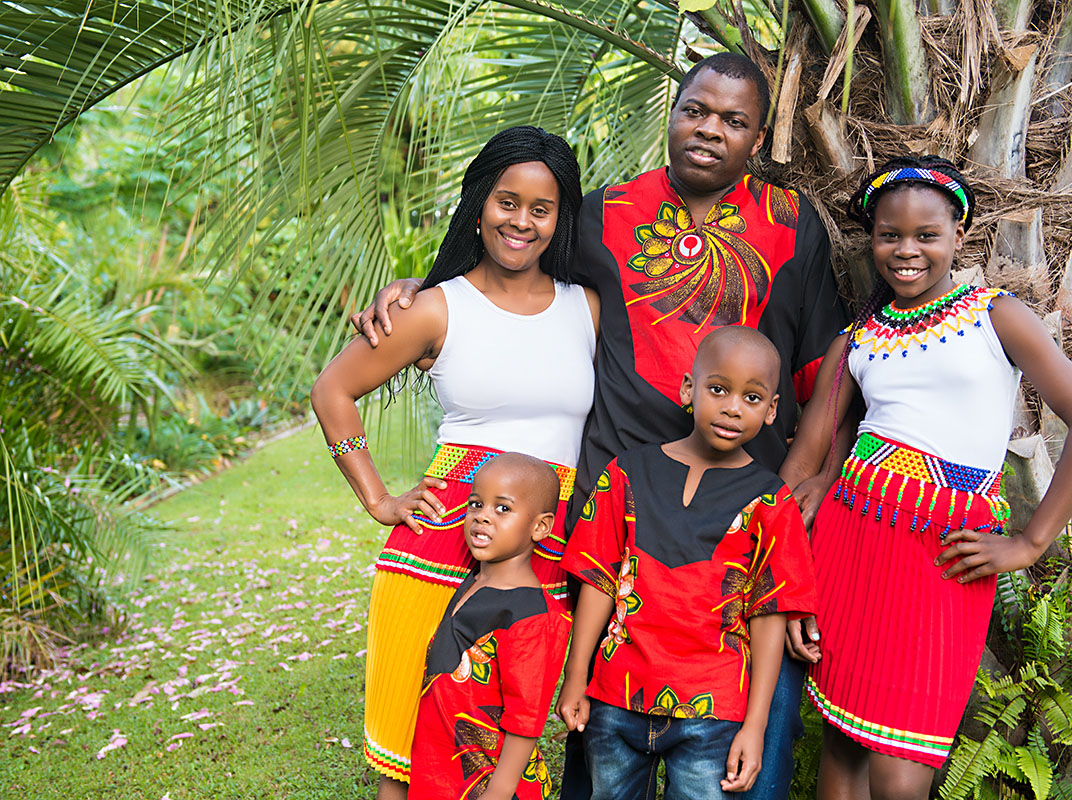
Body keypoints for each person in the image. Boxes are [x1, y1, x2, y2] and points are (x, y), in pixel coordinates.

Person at [352, 53, 849, 800]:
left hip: (741, 527)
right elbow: (516, 266)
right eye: (695, 110)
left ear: (758, 136)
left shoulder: (791, 224)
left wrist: (803, 481)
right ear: (672, 113)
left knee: (746, 755)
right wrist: (423, 290)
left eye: (734, 120)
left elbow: (826, 364)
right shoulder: (604, 213)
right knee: (604, 742)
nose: (709, 130)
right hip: (620, 518)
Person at [781, 156, 1072, 800]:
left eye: (927, 235)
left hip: (945, 557)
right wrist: (788, 584)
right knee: (843, 746)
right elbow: (802, 465)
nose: (906, 250)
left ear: (958, 235)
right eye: (889, 235)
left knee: (901, 767)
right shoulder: (856, 341)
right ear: (872, 238)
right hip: (850, 545)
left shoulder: (996, 315)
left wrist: (1030, 542)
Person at [310, 125, 599, 800]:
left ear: (560, 220)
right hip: (438, 545)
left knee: (502, 745)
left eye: (541, 208)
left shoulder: (586, 307)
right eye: (506, 201)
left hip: (543, 546)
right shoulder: (436, 308)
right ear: (478, 205)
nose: (520, 221)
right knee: (408, 748)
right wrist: (378, 499)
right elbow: (332, 391)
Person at [557, 327, 820, 799]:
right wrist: (576, 678)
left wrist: (755, 726)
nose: (733, 408)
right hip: (617, 696)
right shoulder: (627, 472)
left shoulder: (771, 502)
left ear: (772, 410)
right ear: (687, 389)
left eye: (752, 397)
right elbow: (598, 578)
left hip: (714, 712)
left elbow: (770, 616)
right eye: (718, 389)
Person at [409, 452, 572, 800]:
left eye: (503, 508)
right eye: (476, 504)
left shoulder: (531, 616)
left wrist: (499, 791)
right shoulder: (472, 580)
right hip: (442, 768)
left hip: (487, 781)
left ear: (540, 527)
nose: (482, 516)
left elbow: (526, 717)